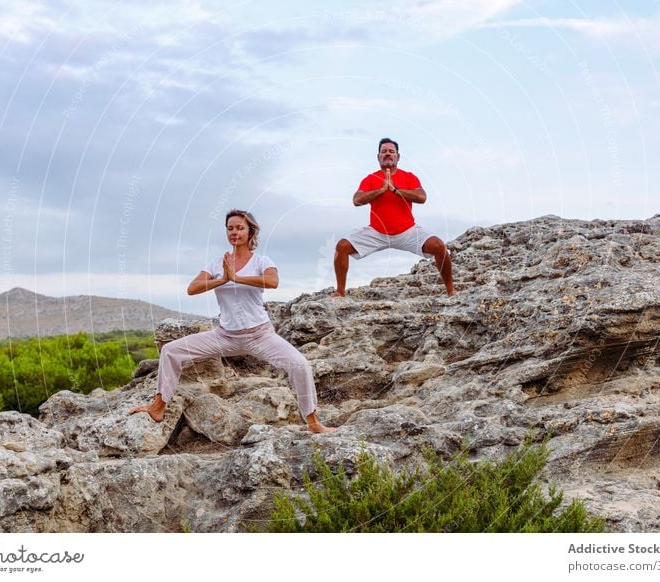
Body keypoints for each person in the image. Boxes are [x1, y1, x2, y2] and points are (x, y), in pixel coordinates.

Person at [130, 209, 334, 434]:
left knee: (300, 365)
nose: (234, 232)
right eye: (230, 228)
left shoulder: (261, 261)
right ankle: (158, 406)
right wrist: (222, 280)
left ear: (250, 231)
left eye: (240, 228)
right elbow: (192, 288)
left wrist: (236, 278)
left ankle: (313, 421)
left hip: (260, 335)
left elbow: (272, 281)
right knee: (170, 350)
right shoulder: (217, 264)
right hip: (225, 336)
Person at [333, 137, 455, 297]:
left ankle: (451, 290)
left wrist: (396, 190)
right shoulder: (370, 179)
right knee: (342, 247)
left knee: (439, 246)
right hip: (377, 233)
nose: (388, 154)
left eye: (391, 151)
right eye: (384, 152)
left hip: (407, 232)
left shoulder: (409, 176)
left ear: (398, 156)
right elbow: (357, 200)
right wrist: (381, 190)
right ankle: (340, 292)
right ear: (378, 157)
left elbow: (422, 197)